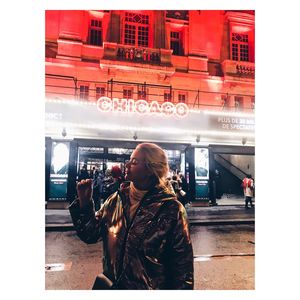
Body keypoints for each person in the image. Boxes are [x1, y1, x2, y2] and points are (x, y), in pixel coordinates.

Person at [69, 143, 194, 289]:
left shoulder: (172, 210)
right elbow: (90, 234)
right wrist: (85, 204)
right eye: (129, 159)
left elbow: (183, 270)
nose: (127, 164)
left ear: (150, 169)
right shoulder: (116, 200)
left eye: (134, 162)